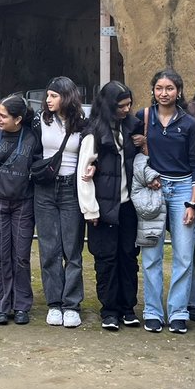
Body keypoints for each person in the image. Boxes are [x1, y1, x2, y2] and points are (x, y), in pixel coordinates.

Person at [136, 70, 195, 334]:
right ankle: (152, 310)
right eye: (159, 88)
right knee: (151, 254)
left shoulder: (189, 124)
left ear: (179, 91)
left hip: (184, 189)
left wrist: (193, 203)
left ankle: (178, 311)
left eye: (170, 88)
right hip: (154, 188)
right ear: (153, 90)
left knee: (184, 256)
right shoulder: (143, 118)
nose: (164, 93)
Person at [77, 82, 141, 330]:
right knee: (106, 260)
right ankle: (109, 311)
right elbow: (83, 173)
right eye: (121, 106)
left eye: (129, 105)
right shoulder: (94, 132)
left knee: (128, 257)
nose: (127, 109)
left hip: (127, 206)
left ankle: (128, 308)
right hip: (102, 208)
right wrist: (90, 209)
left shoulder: (132, 126)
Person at [0, 94, 41, 325]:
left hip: (23, 202)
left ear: (18, 119)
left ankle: (21, 305)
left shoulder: (32, 137)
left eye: (3, 115)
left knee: (21, 257)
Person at [35, 76, 87, 328]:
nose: (48, 100)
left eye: (53, 96)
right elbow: (10, 118)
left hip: (71, 189)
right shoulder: (40, 120)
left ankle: (72, 304)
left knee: (72, 249)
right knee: (49, 249)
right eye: (47, 96)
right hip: (44, 189)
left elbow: (93, 150)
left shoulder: (82, 124)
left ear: (66, 97)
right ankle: (54, 303)